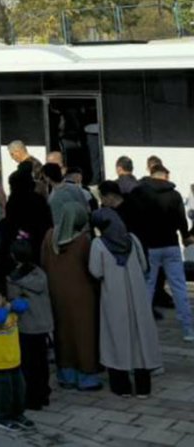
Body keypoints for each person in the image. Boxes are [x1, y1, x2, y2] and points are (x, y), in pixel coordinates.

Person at [89, 208, 162, 398]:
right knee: (141, 340)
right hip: (137, 297)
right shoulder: (133, 240)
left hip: (113, 298)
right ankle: (143, 387)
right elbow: (144, 266)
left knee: (116, 339)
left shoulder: (98, 244)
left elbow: (96, 271)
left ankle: (121, 387)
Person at [41, 185, 101, 390]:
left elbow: (44, 264)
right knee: (84, 334)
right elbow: (92, 268)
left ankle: (66, 374)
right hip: (82, 293)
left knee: (62, 333)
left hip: (56, 293)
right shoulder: (83, 241)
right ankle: (86, 375)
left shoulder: (49, 237)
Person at [128, 164, 194, 342]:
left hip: (149, 246)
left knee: (147, 288)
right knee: (179, 287)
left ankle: (143, 330)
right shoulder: (174, 194)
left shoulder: (139, 193)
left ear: (151, 175)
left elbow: (132, 218)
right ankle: (188, 329)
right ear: (165, 175)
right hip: (171, 245)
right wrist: (185, 237)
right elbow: (181, 220)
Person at [0, 281, 34, 433]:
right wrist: (6, 307)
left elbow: (24, 305)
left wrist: (11, 304)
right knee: (6, 394)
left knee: (19, 390)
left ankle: (18, 415)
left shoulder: (11, 310)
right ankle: (4, 419)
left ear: (3, 298)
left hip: (15, 360)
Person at [6, 239, 54, 410]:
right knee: (42, 362)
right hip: (43, 324)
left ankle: (32, 397)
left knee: (28, 364)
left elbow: (14, 302)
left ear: (13, 256)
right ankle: (44, 394)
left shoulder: (13, 279)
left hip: (26, 325)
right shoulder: (40, 273)